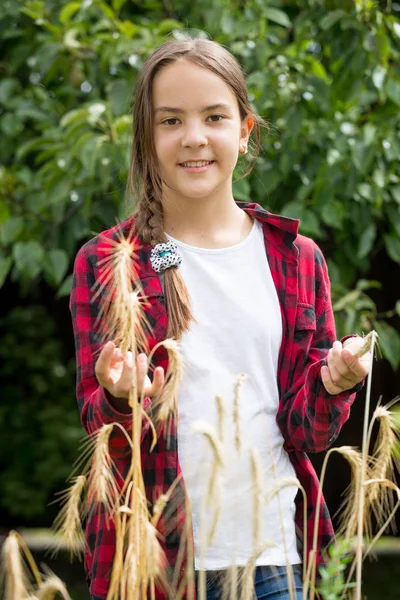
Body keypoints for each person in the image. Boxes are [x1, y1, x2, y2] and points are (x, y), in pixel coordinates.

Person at [70, 38, 370, 600]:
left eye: (214, 117)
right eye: (171, 120)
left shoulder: (297, 259)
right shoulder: (112, 262)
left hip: (276, 557)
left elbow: (308, 432)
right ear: (146, 134)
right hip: (151, 561)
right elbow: (100, 430)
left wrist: (333, 383)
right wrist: (119, 395)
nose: (194, 138)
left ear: (245, 130)